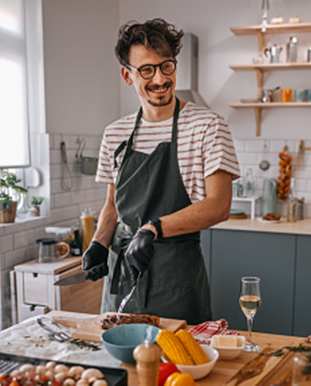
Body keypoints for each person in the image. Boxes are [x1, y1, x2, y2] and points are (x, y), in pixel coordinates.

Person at [83, 18, 240, 324]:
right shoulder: (115, 134)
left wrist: (153, 228)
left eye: (165, 66)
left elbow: (219, 206)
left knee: (179, 367)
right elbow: (113, 205)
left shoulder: (207, 126)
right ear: (127, 75)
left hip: (177, 279)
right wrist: (99, 243)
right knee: (118, 365)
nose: (159, 78)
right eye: (146, 70)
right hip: (123, 275)